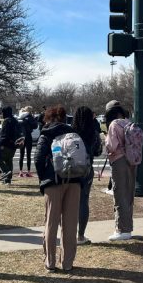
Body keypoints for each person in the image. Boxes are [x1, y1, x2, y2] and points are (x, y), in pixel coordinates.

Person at [35, 105, 81, 271]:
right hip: (74, 181)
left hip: (53, 182)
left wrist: (44, 178)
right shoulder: (73, 133)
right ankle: (67, 263)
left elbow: (39, 159)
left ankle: (50, 262)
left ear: (48, 118)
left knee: (51, 223)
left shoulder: (46, 134)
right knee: (70, 224)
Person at [104, 100, 136, 241]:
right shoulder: (129, 123)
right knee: (129, 194)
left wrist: (103, 140)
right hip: (132, 160)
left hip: (119, 161)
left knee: (119, 194)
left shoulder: (114, 124)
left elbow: (111, 146)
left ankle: (122, 229)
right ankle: (128, 226)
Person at [72, 106, 102, 245]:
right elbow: (98, 151)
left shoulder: (70, 133)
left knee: (69, 202)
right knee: (84, 201)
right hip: (86, 169)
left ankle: (68, 233)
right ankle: (81, 235)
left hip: (70, 170)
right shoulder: (93, 133)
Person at [0, 106, 22, 184]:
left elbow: (4, 134)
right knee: (9, 161)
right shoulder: (15, 121)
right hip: (13, 145)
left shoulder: (6, 121)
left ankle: (6, 171)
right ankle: (8, 179)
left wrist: (0, 144)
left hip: (5, 144)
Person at [18, 106, 37, 177]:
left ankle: (20, 172)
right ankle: (28, 172)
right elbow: (35, 126)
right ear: (29, 111)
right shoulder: (30, 117)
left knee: (21, 155)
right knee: (28, 155)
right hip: (28, 136)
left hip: (21, 137)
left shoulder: (20, 117)